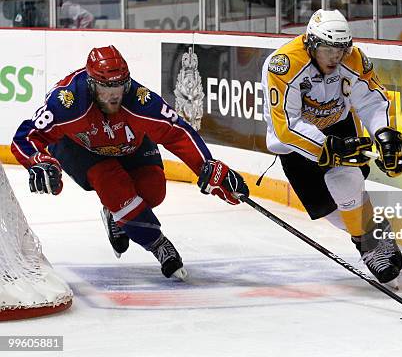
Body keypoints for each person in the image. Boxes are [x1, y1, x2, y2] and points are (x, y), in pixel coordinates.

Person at [11, 45, 249, 280]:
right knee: (114, 186)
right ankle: (158, 245)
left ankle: (114, 212)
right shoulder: (68, 102)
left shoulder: (139, 100)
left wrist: (207, 165)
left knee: (153, 191)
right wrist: (37, 160)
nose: (115, 94)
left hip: (129, 143)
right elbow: (27, 136)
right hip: (79, 146)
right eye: (106, 87)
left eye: (120, 86)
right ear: (92, 85)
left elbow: (177, 132)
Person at [261, 9, 402, 286]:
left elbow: (372, 101)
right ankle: (373, 230)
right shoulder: (282, 65)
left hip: (339, 126)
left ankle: (370, 243)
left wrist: (384, 134)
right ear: (312, 44)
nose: (335, 56)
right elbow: (286, 126)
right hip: (293, 142)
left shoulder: (354, 59)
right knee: (328, 210)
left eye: (340, 49)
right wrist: (328, 146)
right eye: (328, 49)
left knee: (347, 183)